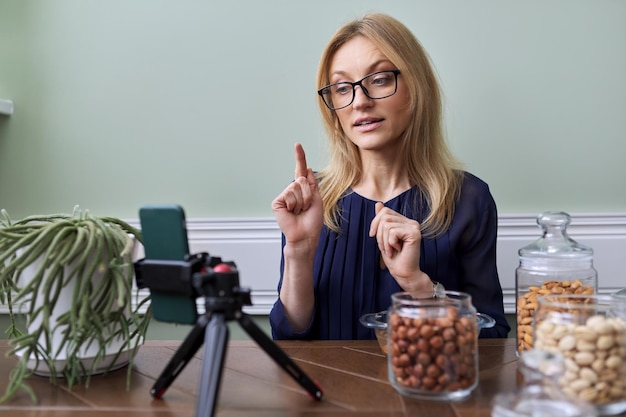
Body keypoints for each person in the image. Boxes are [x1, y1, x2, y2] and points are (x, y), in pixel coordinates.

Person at [269, 12, 510, 339]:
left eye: (380, 79)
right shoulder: (310, 199)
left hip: (422, 390)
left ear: (416, 87)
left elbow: (492, 336)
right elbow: (289, 336)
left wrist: (418, 285)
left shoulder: (469, 199)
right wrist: (297, 251)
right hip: (325, 389)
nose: (360, 102)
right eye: (342, 88)